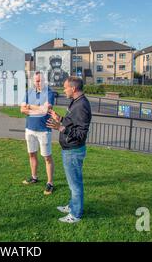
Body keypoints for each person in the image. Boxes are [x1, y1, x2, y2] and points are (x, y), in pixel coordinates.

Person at [47, 76, 92, 223]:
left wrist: (60, 128)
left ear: (73, 89)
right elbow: (72, 122)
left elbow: (80, 134)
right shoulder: (76, 102)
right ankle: (73, 205)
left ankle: (76, 214)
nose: (64, 90)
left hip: (73, 150)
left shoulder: (82, 105)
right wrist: (59, 118)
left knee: (75, 183)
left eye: (65, 87)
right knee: (72, 182)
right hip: (69, 149)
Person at [20, 71, 56, 195]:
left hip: (44, 130)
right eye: (36, 80)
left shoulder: (49, 92)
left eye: (40, 80)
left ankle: (50, 183)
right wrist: (38, 108)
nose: (38, 82)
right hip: (30, 128)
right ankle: (34, 177)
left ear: (44, 80)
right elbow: (22, 109)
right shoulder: (29, 92)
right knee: (32, 154)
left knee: (47, 157)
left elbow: (47, 109)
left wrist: (30, 106)